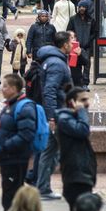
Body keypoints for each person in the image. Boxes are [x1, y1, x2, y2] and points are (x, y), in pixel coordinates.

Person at [0, 74, 37, 211]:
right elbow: (2, 133)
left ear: (14, 88)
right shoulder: (10, 105)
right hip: (7, 158)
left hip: (15, 159)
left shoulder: (24, 107)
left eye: (5, 86)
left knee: (12, 198)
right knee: (9, 197)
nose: (2, 89)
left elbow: (25, 135)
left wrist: (4, 148)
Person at [35, 32, 73, 200]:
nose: (73, 44)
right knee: (65, 150)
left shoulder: (53, 60)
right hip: (57, 113)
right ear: (64, 44)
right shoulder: (57, 64)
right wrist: (52, 117)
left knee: (50, 151)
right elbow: (50, 90)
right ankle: (74, 187)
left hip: (56, 112)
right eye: (71, 41)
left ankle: (43, 187)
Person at [57, 86, 96, 211]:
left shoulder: (72, 118)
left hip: (82, 175)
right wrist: (82, 112)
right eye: (83, 100)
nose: (87, 103)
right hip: (75, 177)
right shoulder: (64, 119)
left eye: (87, 99)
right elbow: (83, 131)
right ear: (72, 102)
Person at [67, 0, 96, 89]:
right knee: (75, 64)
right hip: (75, 46)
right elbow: (68, 31)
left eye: (84, 7)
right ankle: (77, 82)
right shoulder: (73, 19)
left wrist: (89, 40)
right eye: (80, 7)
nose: (82, 9)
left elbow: (95, 32)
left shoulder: (91, 20)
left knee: (87, 64)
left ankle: (85, 83)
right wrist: (73, 40)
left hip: (87, 46)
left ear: (87, 8)